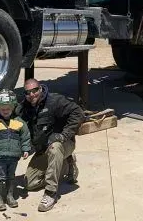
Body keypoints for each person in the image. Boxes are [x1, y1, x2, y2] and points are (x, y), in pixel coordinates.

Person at [16, 78, 86, 212]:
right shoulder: (25, 107)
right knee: (30, 183)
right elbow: (10, 115)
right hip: (43, 150)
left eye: (35, 90)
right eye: (28, 92)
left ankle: (50, 193)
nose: (32, 95)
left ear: (40, 89)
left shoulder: (54, 101)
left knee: (55, 148)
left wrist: (64, 135)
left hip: (63, 144)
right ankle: (67, 163)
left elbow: (78, 112)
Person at [0, 89, 31, 211]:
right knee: (0, 177)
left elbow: (25, 137)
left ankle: (10, 196)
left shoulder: (20, 123)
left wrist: (26, 149)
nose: (5, 111)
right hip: (0, 156)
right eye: (2, 109)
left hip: (14, 156)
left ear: (13, 107)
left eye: (8, 108)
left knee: (11, 176)